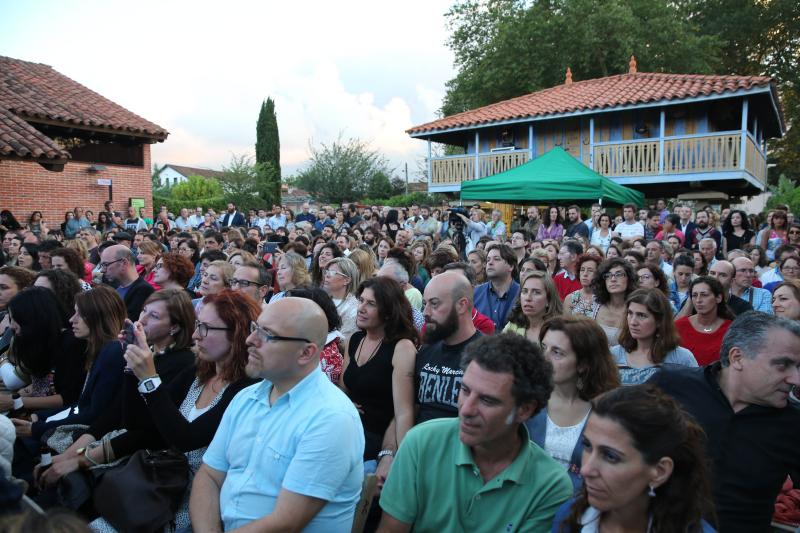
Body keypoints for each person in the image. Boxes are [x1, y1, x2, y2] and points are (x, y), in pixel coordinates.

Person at [190, 297, 364, 532]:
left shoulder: (331, 418)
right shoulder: (247, 397)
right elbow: (209, 475)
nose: (250, 340)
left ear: (306, 352)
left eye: (267, 334)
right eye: (255, 328)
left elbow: (286, 522)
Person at [378, 333, 573, 532]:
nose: (465, 409)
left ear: (524, 410)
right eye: (464, 390)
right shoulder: (421, 442)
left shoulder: (550, 485)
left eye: (487, 400)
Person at [651, 312, 800, 532]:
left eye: (798, 366)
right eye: (782, 365)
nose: (795, 379)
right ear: (737, 357)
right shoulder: (670, 385)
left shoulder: (793, 423)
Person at [553, 385, 716, 533]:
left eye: (610, 456)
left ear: (659, 471)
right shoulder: (569, 518)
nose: (586, 469)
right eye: (587, 446)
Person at [12, 286, 126, 444]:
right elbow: (81, 406)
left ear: (99, 317)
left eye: (81, 314)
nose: (72, 319)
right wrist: (40, 417)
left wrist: (37, 427)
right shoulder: (99, 350)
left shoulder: (112, 353)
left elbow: (93, 413)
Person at [527, 317, 620, 489]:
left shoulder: (605, 412)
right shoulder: (528, 402)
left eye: (557, 352)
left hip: (577, 509)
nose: (544, 359)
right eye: (543, 348)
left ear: (583, 364)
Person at [341, 277, 418, 461]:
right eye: (361, 301)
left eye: (371, 304)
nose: (361, 308)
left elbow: (404, 411)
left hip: (378, 438)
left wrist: (400, 459)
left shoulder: (402, 348)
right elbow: (343, 388)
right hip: (347, 428)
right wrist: (346, 405)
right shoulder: (355, 339)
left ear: (388, 311)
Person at [611, 289, 697, 385]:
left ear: (659, 321)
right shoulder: (614, 355)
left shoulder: (681, 358)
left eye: (641, 315)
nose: (633, 322)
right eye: (630, 313)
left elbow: (695, 394)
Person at [675, 276, 734, 366]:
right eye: (694, 295)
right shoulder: (679, 326)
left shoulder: (731, 329)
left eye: (704, 295)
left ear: (718, 298)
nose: (698, 300)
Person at [503, 271, 563, 343]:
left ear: (548, 300)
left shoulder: (559, 331)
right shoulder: (512, 325)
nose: (528, 298)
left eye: (536, 292)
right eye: (524, 291)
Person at [99, 244, 154, 320]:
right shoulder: (117, 288)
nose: (102, 270)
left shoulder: (143, 291)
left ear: (124, 263)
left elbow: (125, 326)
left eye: (106, 264)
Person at [589, 258, 636, 346]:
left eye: (619, 274)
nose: (613, 279)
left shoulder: (636, 307)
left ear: (629, 279)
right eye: (608, 275)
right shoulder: (595, 304)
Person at [473, 243, 520, 331]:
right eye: (488, 260)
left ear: (511, 266)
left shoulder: (522, 294)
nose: (490, 263)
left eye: (496, 259)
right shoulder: (475, 293)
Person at [323, 257, 360, 339]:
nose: (327, 275)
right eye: (327, 271)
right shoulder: (323, 298)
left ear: (346, 280)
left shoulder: (353, 309)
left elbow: (344, 341)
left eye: (333, 272)